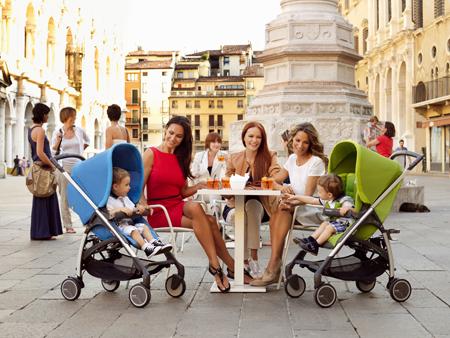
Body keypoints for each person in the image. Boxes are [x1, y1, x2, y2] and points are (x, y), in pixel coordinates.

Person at [141, 116, 247, 292]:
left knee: (210, 220)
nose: (173, 138)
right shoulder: (151, 153)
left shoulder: (182, 158)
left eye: (179, 136)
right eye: (171, 132)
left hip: (176, 205)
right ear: (165, 130)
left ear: (184, 139)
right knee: (203, 214)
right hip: (158, 211)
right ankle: (220, 265)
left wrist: (198, 186)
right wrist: (143, 206)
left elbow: (182, 193)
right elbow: (139, 188)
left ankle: (226, 266)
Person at [251, 122, 327, 286]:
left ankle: (273, 267)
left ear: (311, 143)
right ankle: (275, 265)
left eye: (305, 142)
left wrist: (290, 198)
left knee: (283, 209)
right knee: (278, 213)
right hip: (294, 205)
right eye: (297, 140)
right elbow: (272, 181)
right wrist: (282, 188)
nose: (300, 146)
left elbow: (307, 196)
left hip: (311, 208)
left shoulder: (316, 162)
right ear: (292, 140)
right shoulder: (292, 159)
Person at [226, 121, 281, 278]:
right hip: (235, 205)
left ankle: (253, 258)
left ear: (263, 140)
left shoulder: (270, 156)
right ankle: (244, 261)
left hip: (261, 207)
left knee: (252, 205)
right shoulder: (234, 158)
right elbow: (227, 179)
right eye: (251, 136)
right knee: (242, 213)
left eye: (258, 137)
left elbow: (276, 174)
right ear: (244, 137)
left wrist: (270, 180)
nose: (254, 140)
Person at [107, 167, 172, 257]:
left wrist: (138, 208)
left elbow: (133, 208)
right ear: (115, 186)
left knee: (143, 227)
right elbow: (108, 214)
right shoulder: (109, 200)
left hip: (128, 225)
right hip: (118, 227)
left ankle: (154, 242)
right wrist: (119, 209)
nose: (129, 188)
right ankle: (146, 248)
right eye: (126, 185)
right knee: (133, 230)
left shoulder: (125, 198)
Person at [287, 174, 355, 255]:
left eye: (319, 192)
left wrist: (346, 208)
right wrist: (295, 197)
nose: (318, 193)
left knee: (329, 227)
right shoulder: (328, 200)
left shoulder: (344, 200)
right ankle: (310, 240)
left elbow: (351, 208)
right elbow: (311, 200)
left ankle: (315, 246)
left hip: (346, 225)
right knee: (324, 224)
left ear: (329, 194)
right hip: (336, 222)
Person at [51, 107, 90, 234]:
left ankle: (88, 222)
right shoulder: (58, 131)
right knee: (64, 198)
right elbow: (53, 151)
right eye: (73, 115)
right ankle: (68, 225)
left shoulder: (79, 131)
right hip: (63, 168)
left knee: (84, 195)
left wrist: (78, 153)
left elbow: (87, 141)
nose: (75, 118)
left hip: (79, 167)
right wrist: (57, 141)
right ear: (68, 117)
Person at [28, 103, 63, 240]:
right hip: (44, 167)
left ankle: (41, 231)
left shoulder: (32, 129)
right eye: (47, 114)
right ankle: (45, 232)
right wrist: (52, 165)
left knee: (40, 198)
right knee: (47, 196)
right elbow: (40, 152)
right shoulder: (40, 131)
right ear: (42, 115)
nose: (48, 116)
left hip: (38, 167)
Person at [191, 132, 227, 210]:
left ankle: (215, 215)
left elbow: (226, 173)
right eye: (213, 142)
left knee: (214, 194)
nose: (216, 144)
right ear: (208, 143)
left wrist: (227, 160)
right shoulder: (199, 155)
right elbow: (193, 174)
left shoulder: (223, 155)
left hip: (216, 189)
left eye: (219, 142)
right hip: (201, 190)